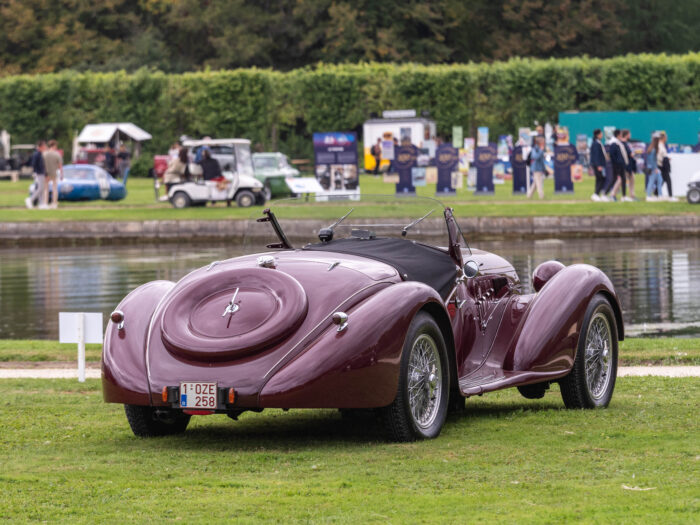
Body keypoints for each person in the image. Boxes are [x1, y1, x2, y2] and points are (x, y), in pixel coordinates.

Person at [605, 129, 627, 201]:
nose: (621, 135)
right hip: (617, 165)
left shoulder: (617, 142)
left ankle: (623, 196)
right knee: (616, 179)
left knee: (621, 179)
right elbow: (612, 155)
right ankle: (605, 194)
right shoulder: (614, 143)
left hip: (619, 164)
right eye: (620, 134)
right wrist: (618, 163)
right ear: (618, 135)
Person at [25, 140, 47, 209]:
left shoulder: (39, 153)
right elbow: (34, 164)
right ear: (41, 146)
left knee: (41, 188)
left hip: (41, 173)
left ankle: (41, 204)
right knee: (40, 188)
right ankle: (30, 199)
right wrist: (35, 173)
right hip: (39, 173)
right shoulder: (37, 154)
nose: (45, 147)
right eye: (44, 146)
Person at [589, 129, 608, 201]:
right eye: (601, 134)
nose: (602, 135)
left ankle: (596, 194)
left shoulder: (597, 142)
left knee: (599, 179)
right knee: (601, 179)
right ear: (598, 135)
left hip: (599, 164)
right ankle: (596, 194)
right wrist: (598, 165)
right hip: (598, 165)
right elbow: (596, 155)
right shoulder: (596, 143)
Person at [43, 140, 62, 209]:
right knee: (54, 188)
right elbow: (60, 165)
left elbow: (43, 164)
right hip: (54, 173)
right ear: (54, 146)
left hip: (46, 173)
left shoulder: (44, 154)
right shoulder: (57, 154)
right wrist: (62, 174)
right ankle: (54, 203)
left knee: (46, 189)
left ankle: (45, 203)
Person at [657, 131, 675, 200]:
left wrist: (666, 158)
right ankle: (670, 196)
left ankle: (656, 193)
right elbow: (660, 156)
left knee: (662, 180)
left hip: (661, 164)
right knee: (668, 180)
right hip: (662, 165)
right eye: (666, 137)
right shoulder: (660, 145)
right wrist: (665, 159)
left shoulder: (661, 145)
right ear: (663, 138)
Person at [645, 134, 663, 201]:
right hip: (653, 168)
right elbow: (652, 160)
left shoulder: (652, 148)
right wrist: (655, 168)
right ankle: (648, 196)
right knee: (651, 181)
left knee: (660, 180)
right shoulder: (653, 149)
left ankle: (660, 195)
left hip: (652, 168)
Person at [621, 129, 636, 201]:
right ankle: (613, 194)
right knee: (621, 180)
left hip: (628, 165)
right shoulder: (623, 144)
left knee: (632, 179)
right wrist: (632, 154)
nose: (630, 135)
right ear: (626, 135)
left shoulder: (626, 143)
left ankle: (632, 195)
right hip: (626, 165)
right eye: (629, 134)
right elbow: (628, 154)